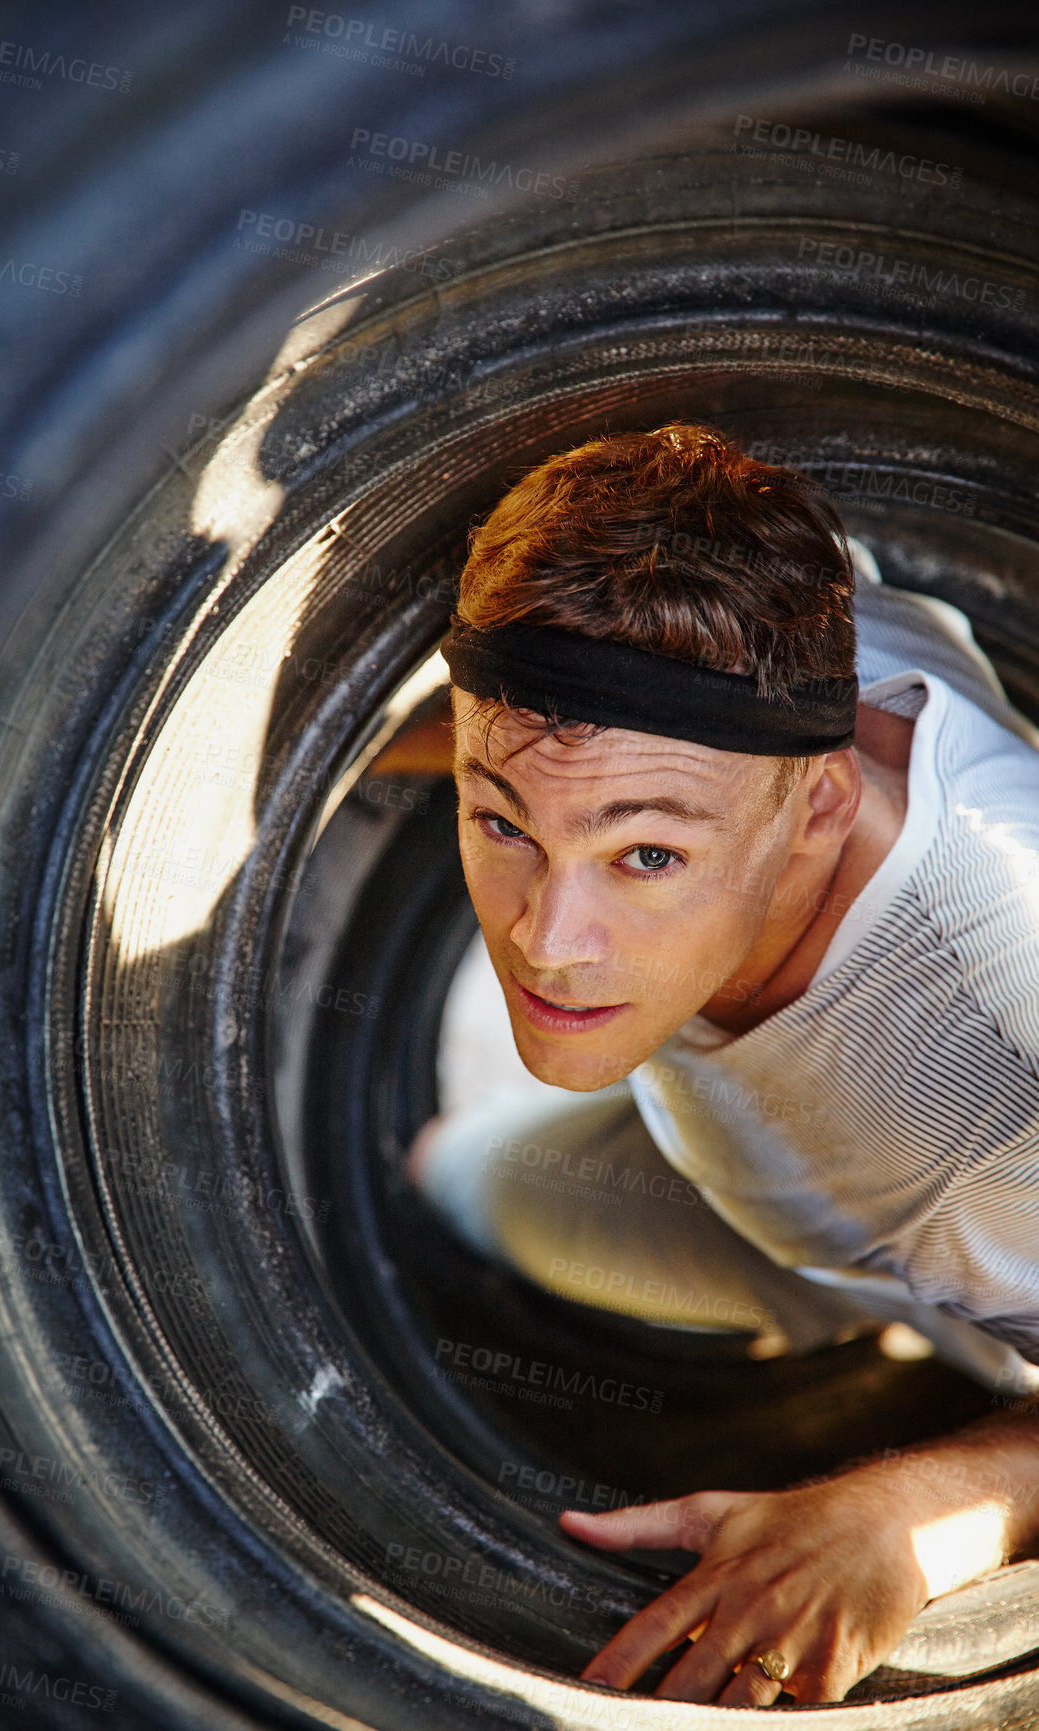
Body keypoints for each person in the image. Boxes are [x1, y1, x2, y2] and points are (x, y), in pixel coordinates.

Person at [407, 421, 1039, 1706]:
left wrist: (921, 1516)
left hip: (990, 1269)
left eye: (645, 856)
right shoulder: (747, 645)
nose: (547, 942)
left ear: (816, 803)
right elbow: (569, 758)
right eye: (499, 827)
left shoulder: (1005, 955)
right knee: (455, 1180)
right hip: (765, 1198)